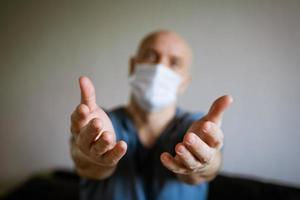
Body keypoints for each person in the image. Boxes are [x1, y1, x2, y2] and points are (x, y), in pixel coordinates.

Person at [70, 30, 233, 200]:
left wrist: (203, 165)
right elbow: (85, 163)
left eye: (174, 63)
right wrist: (92, 156)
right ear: (133, 66)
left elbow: (205, 170)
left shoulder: (195, 128)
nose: (160, 67)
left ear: (184, 82)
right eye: (151, 56)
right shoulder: (98, 124)